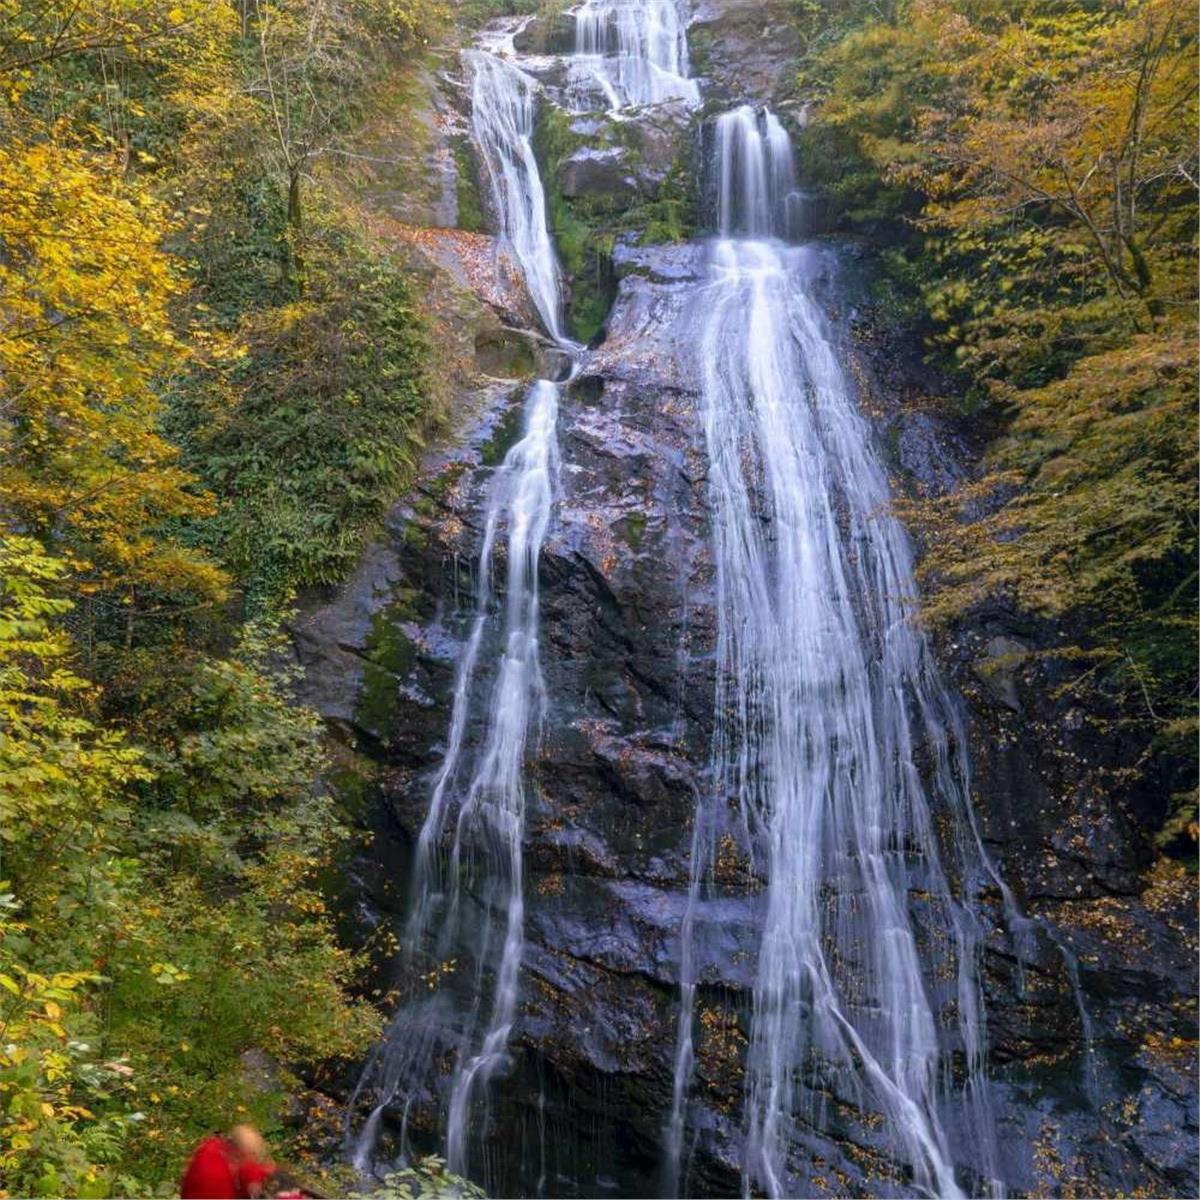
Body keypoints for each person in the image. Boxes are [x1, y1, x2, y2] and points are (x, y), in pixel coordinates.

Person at [180, 1124, 277, 1199]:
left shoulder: (221, 1149)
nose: (250, 1160)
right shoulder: (212, 1173)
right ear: (237, 1153)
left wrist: (253, 1180)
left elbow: (248, 1168)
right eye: (247, 1155)